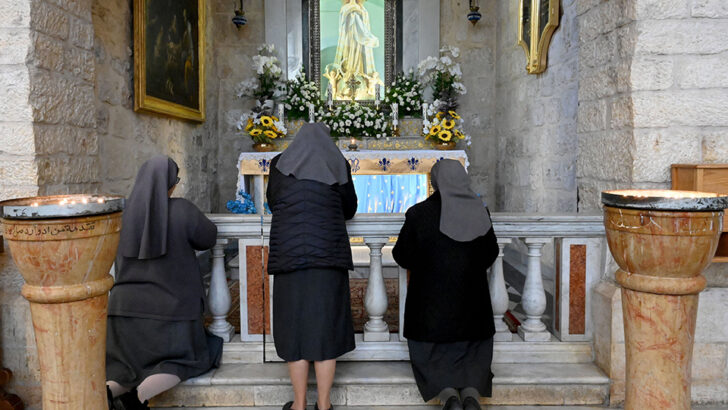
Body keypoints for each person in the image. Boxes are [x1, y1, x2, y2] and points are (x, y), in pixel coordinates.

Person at [105, 156, 223, 410]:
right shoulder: (181, 209)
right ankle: (137, 399)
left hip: (123, 311)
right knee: (183, 360)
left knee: (124, 367)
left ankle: (107, 395)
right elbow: (208, 237)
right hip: (172, 312)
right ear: (169, 182)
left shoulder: (122, 215)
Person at [392, 159, 499, 410]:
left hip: (430, 310)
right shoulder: (480, 211)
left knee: (431, 348)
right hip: (473, 306)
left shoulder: (418, 213)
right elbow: (490, 254)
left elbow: (401, 255)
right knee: (474, 346)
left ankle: (447, 394)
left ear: (435, 181)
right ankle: (471, 391)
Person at [266, 123, 358, 410]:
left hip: (290, 258)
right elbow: (350, 207)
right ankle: (324, 404)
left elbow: (272, 202)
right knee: (326, 331)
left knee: (294, 331)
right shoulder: (336, 162)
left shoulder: (280, 163)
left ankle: (298, 405)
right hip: (327, 258)